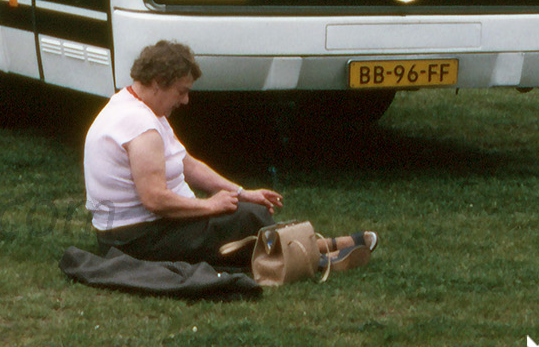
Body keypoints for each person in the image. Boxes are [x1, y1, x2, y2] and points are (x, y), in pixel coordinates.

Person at [84, 40, 372, 268]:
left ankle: (318, 249)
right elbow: (155, 199)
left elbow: (188, 165)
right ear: (158, 81)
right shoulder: (139, 124)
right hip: (135, 240)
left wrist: (241, 192)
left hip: (147, 231)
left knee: (247, 212)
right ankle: (318, 255)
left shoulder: (140, 107)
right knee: (248, 218)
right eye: (181, 91)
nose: (185, 100)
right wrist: (210, 206)